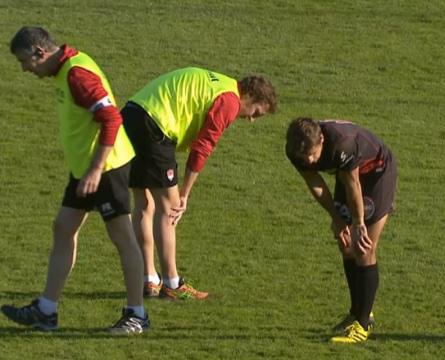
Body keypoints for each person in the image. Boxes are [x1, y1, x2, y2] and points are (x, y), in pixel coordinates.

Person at [1, 26, 149, 334]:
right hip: (86, 168)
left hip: (106, 168)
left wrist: (96, 169)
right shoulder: (64, 69)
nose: (24, 69)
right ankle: (47, 310)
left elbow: (111, 118)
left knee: (122, 238)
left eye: (23, 62)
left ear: (38, 53)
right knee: (63, 227)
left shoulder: (77, 76)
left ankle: (137, 315)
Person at [121, 67, 277, 300]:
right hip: (155, 124)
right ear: (250, 96)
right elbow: (203, 147)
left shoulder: (220, 84)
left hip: (132, 115)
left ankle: (149, 280)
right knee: (170, 207)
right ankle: (172, 283)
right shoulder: (230, 101)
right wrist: (184, 193)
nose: (252, 120)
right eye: (256, 112)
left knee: (145, 202)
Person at [285, 117, 397, 344]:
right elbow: (315, 184)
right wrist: (337, 219)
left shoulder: (341, 144)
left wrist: (357, 224)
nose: (309, 160)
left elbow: (353, 184)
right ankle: (357, 313)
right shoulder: (295, 148)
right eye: (304, 158)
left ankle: (363, 326)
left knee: (363, 247)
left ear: (322, 140)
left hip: (376, 172)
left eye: (313, 155)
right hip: (347, 175)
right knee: (346, 246)